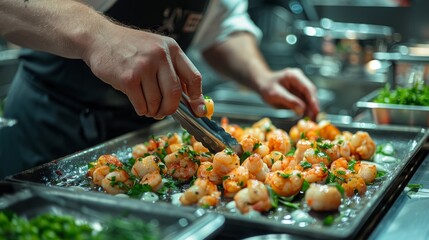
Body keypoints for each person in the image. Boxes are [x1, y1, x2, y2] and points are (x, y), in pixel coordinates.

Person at [0, 0, 319, 178]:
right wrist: (98, 34)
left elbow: (222, 26)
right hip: (50, 127)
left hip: (144, 133)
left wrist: (260, 76)